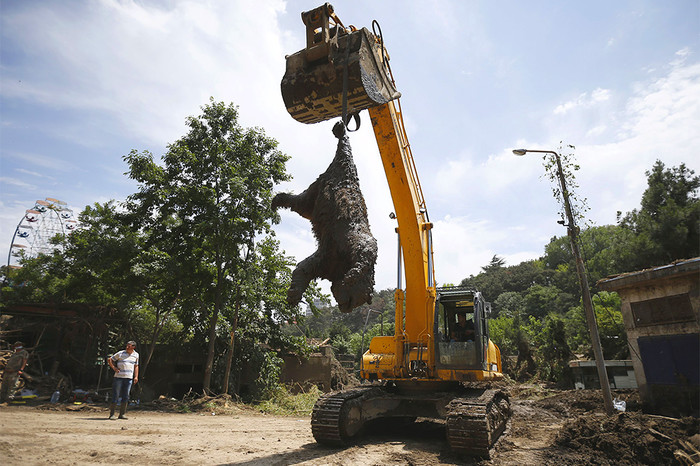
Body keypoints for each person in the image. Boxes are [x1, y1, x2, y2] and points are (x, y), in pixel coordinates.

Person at [107, 341, 139, 420]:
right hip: (119, 377)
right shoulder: (120, 353)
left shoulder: (136, 355)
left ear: (133, 347)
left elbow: (136, 366)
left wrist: (136, 376)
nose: (127, 347)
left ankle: (122, 414)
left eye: (129, 346)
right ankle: (112, 414)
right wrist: (114, 368)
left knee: (126, 395)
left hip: (129, 378)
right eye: (127, 345)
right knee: (116, 395)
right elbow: (110, 359)